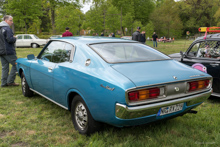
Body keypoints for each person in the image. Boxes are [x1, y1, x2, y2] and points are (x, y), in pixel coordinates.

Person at [0, 15, 19, 87]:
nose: (12, 22)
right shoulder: (7, 29)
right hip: (8, 51)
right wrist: (15, 38)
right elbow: (10, 40)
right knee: (16, 64)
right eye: (11, 20)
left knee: (4, 67)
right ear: (6, 20)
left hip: (1, 52)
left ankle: (3, 83)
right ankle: (10, 81)